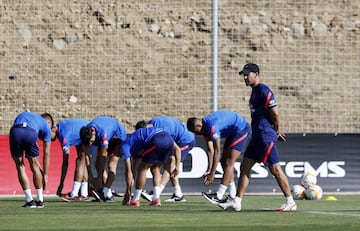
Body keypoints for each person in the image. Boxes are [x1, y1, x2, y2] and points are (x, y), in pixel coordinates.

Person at [218, 63, 296, 212]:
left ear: (256, 74)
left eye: (247, 74)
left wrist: (277, 131)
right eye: (244, 75)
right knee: (244, 167)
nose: (245, 77)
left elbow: (275, 113)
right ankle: (237, 201)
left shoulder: (263, 90)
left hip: (265, 136)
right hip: (256, 137)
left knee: (275, 169)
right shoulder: (254, 92)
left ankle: (290, 201)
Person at [186, 109, 251, 204]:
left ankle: (219, 195)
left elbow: (217, 151)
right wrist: (209, 169)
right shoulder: (204, 129)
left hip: (241, 129)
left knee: (229, 162)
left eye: (197, 132)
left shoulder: (211, 127)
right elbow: (210, 150)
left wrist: (213, 174)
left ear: (199, 125)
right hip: (232, 132)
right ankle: (232, 194)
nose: (197, 134)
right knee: (223, 161)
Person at [136, 116, 195, 202]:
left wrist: (177, 167)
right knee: (167, 163)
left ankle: (157, 193)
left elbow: (177, 149)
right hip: (177, 137)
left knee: (170, 161)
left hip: (186, 140)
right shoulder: (153, 125)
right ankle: (178, 194)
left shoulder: (162, 130)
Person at [120, 126, 181, 206]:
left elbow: (129, 172)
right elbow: (177, 149)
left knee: (142, 168)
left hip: (157, 139)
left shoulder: (124, 145)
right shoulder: (136, 145)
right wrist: (177, 167)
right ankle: (156, 198)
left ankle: (135, 199)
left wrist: (128, 192)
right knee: (155, 168)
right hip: (167, 139)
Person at [79, 115, 129, 202]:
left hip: (117, 135)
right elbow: (86, 154)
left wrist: (98, 178)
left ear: (93, 134)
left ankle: (106, 190)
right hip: (104, 134)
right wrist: (90, 176)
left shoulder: (103, 133)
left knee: (111, 165)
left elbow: (103, 155)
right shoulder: (87, 133)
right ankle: (105, 191)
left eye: (91, 142)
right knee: (97, 164)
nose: (90, 144)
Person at [9, 112, 53, 208]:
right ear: (49, 123)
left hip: (16, 131)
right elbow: (47, 153)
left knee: (20, 166)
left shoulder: (30, 116)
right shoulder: (46, 126)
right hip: (30, 133)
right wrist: (45, 174)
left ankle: (29, 201)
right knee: (35, 166)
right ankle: (40, 200)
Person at [51, 118, 91, 202]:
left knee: (80, 161)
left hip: (88, 133)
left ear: (53, 129)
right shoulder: (61, 126)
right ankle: (84, 193)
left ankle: (74, 194)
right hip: (85, 132)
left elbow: (66, 162)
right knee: (82, 159)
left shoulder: (63, 136)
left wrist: (61, 184)